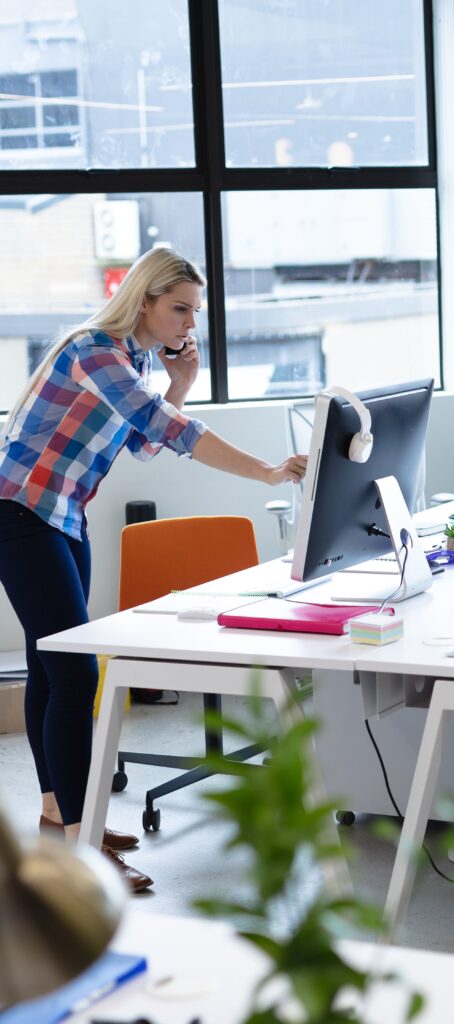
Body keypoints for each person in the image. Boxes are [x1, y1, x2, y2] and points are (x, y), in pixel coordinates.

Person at [0, 246, 306, 893]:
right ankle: (83, 845)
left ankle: (62, 822)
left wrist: (180, 385)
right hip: (21, 512)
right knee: (74, 670)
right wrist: (268, 470)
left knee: (51, 664)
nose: (189, 323)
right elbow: (169, 433)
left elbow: (139, 441)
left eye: (195, 310)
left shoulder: (134, 361)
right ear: (144, 300)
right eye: (180, 308)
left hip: (60, 516)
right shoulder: (95, 352)